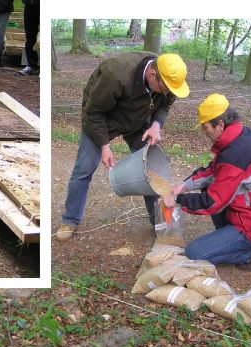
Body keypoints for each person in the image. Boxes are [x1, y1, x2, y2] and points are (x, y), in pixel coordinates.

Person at [56, 52, 190, 241]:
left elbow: (164, 106)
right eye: (165, 88)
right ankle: (70, 220)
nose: (168, 92)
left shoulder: (170, 78)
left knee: (153, 170)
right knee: (84, 169)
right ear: (152, 74)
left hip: (139, 122)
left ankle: (159, 223)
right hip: (102, 121)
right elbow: (93, 113)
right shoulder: (116, 75)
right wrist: (104, 145)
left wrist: (156, 125)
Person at [162, 94, 251, 270]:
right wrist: (185, 185)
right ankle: (231, 239)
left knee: (194, 254)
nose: (204, 132)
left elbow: (213, 202)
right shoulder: (240, 137)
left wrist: (178, 200)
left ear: (220, 124)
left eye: (205, 127)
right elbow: (214, 170)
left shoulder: (236, 154)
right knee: (208, 186)